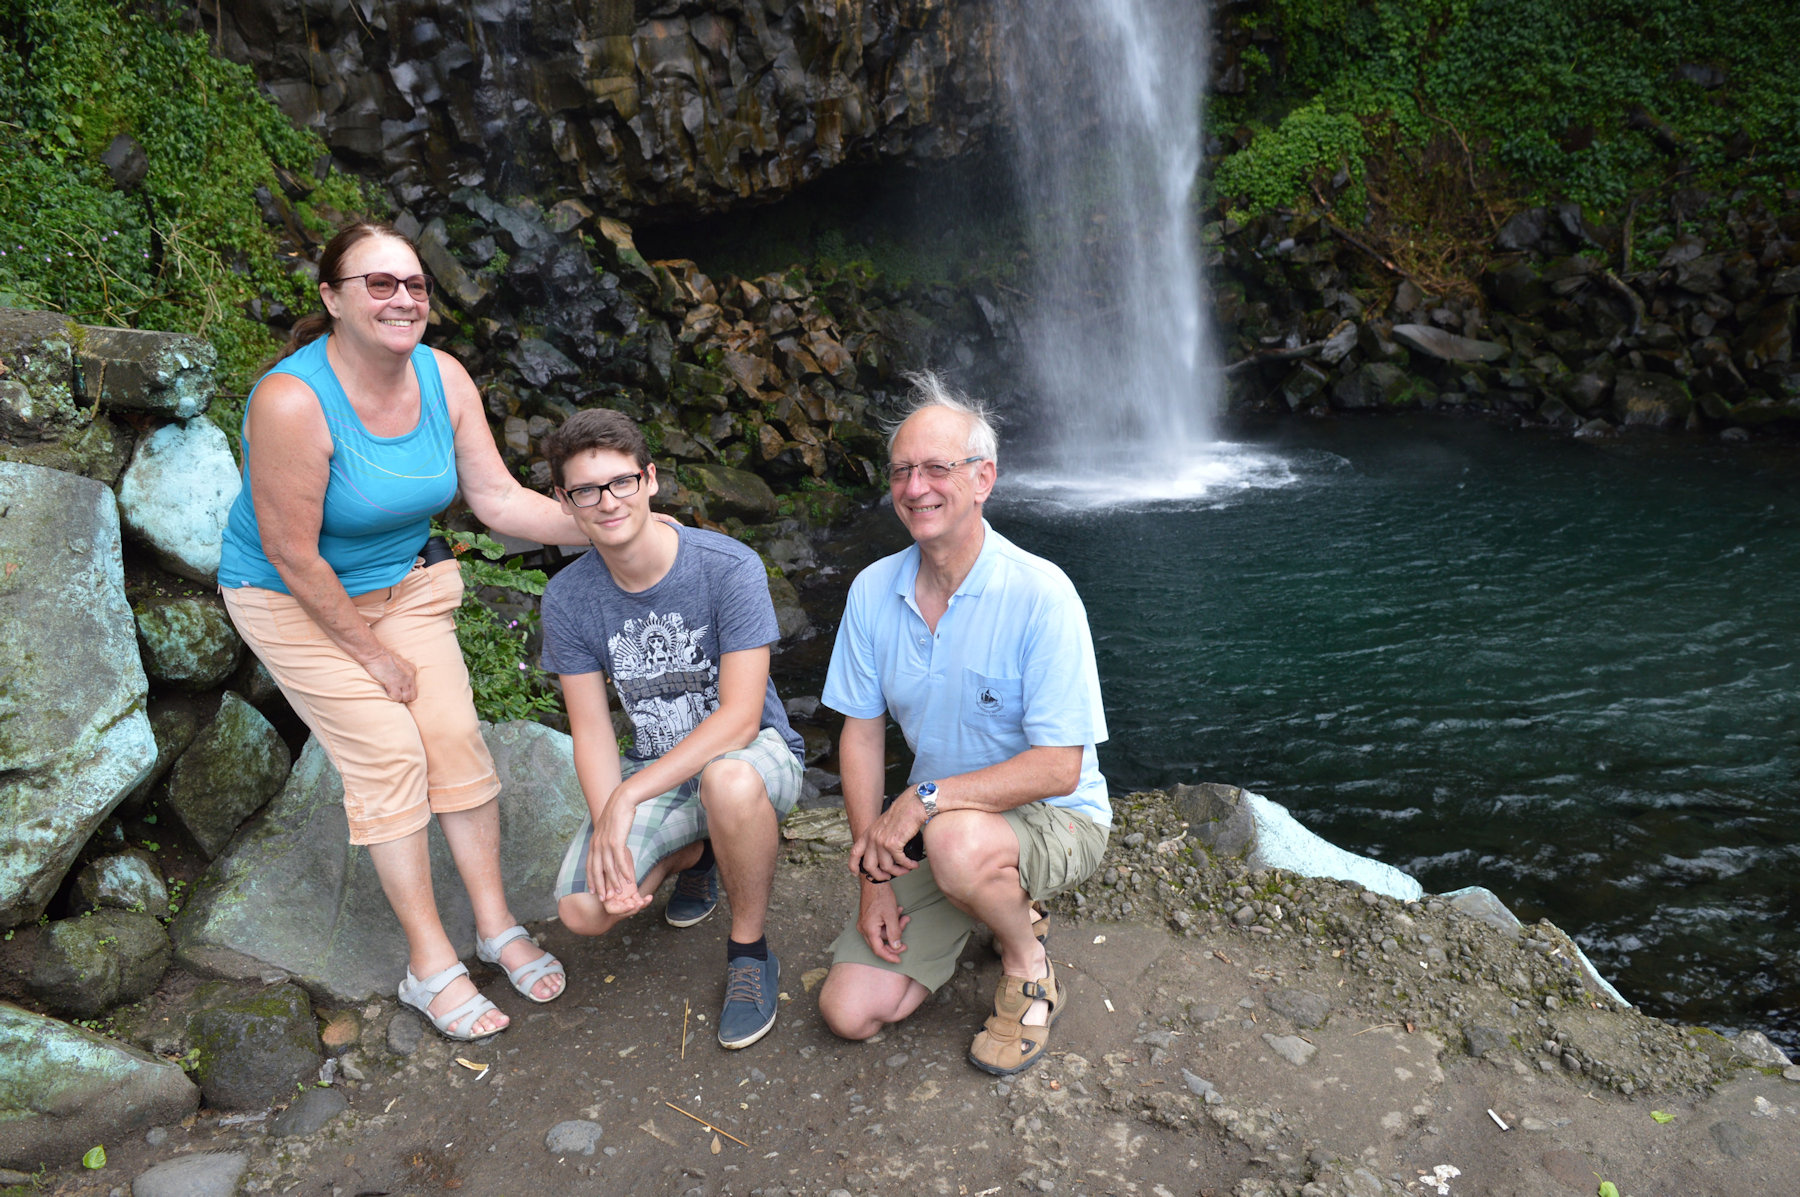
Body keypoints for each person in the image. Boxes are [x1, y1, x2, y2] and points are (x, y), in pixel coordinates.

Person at [218, 222, 577, 1041]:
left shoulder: (443, 377)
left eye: (414, 284)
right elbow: (291, 552)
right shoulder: (291, 400)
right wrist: (372, 654)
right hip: (291, 597)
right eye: (379, 283)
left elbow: (498, 500)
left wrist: (617, 525)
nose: (403, 298)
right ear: (332, 297)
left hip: (404, 584)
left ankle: (495, 925)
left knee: (452, 735)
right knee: (390, 752)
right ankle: (429, 964)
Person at [815, 373, 1110, 1076]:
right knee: (848, 1011)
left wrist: (922, 798)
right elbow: (860, 732)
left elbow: (1060, 768)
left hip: (1056, 815)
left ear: (984, 479)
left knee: (952, 840)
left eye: (937, 468)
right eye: (903, 471)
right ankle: (995, 898)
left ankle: (1026, 963)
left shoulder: (1042, 593)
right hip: (950, 822)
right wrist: (873, 877)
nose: (916, 487)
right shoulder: (871, 591)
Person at [539, 408, 805, 1051]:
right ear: (564, 501)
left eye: (621, 483)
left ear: (650, 480)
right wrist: (608, 819)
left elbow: (741, 716)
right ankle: (696, 853)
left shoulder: (727, 566)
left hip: (750, 752)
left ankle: (749, 953)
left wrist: (627, 800)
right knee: (584, 910)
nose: (607, 502)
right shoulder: (568, 598)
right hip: (657, 764)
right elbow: (594, 728)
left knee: (729, 781)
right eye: (585, 491)